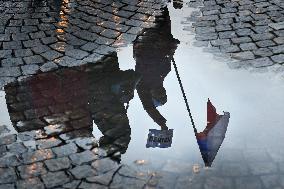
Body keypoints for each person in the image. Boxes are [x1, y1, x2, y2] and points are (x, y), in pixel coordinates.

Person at [133, 7, 179, 130]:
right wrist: (172, 48)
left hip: (146, 41)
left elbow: (148, 108)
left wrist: (161, 123)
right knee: (161, 10)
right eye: (164, 95)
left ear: (152, 95)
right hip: (161, 36)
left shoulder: (142, 85)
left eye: (160, 96)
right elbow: (168, 56)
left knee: (145, 11)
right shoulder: (163, 74)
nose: (162, 93)